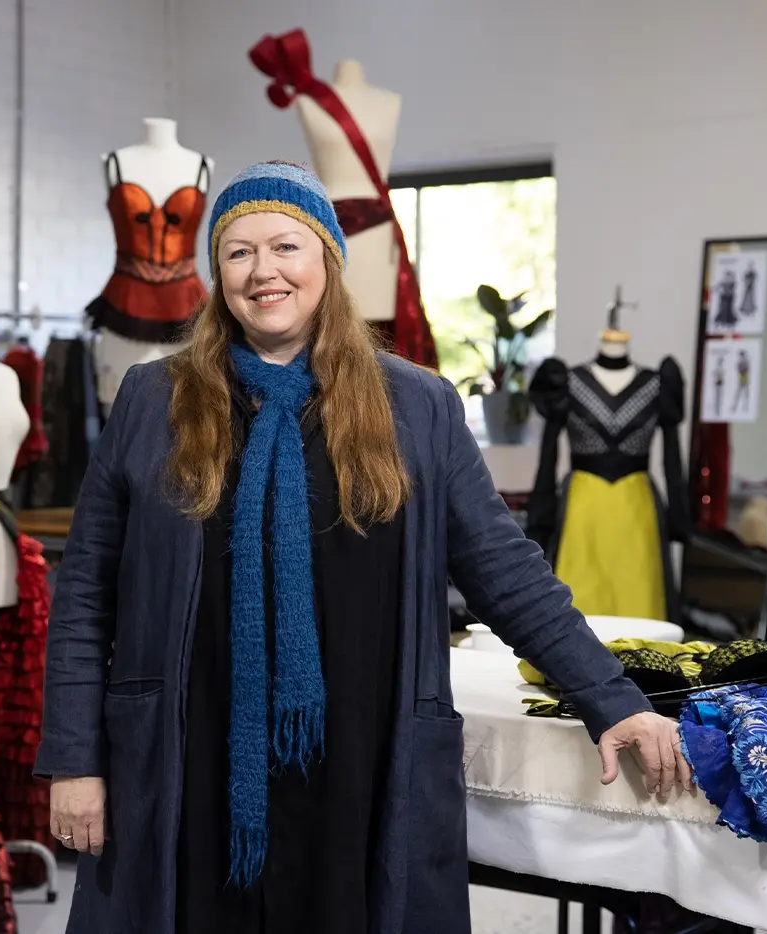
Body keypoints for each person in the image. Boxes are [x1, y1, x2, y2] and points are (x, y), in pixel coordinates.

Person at [36, 161, 686, 934]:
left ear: (327, 262)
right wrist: (75, 757)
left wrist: (612, 700)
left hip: (361, 763)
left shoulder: (417, 405)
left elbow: (506, 573)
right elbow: (84, 595)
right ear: (216, 273)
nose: (263, 271)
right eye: (238, 252)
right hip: (191, 758)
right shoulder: (154, 399)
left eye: (286, 246)